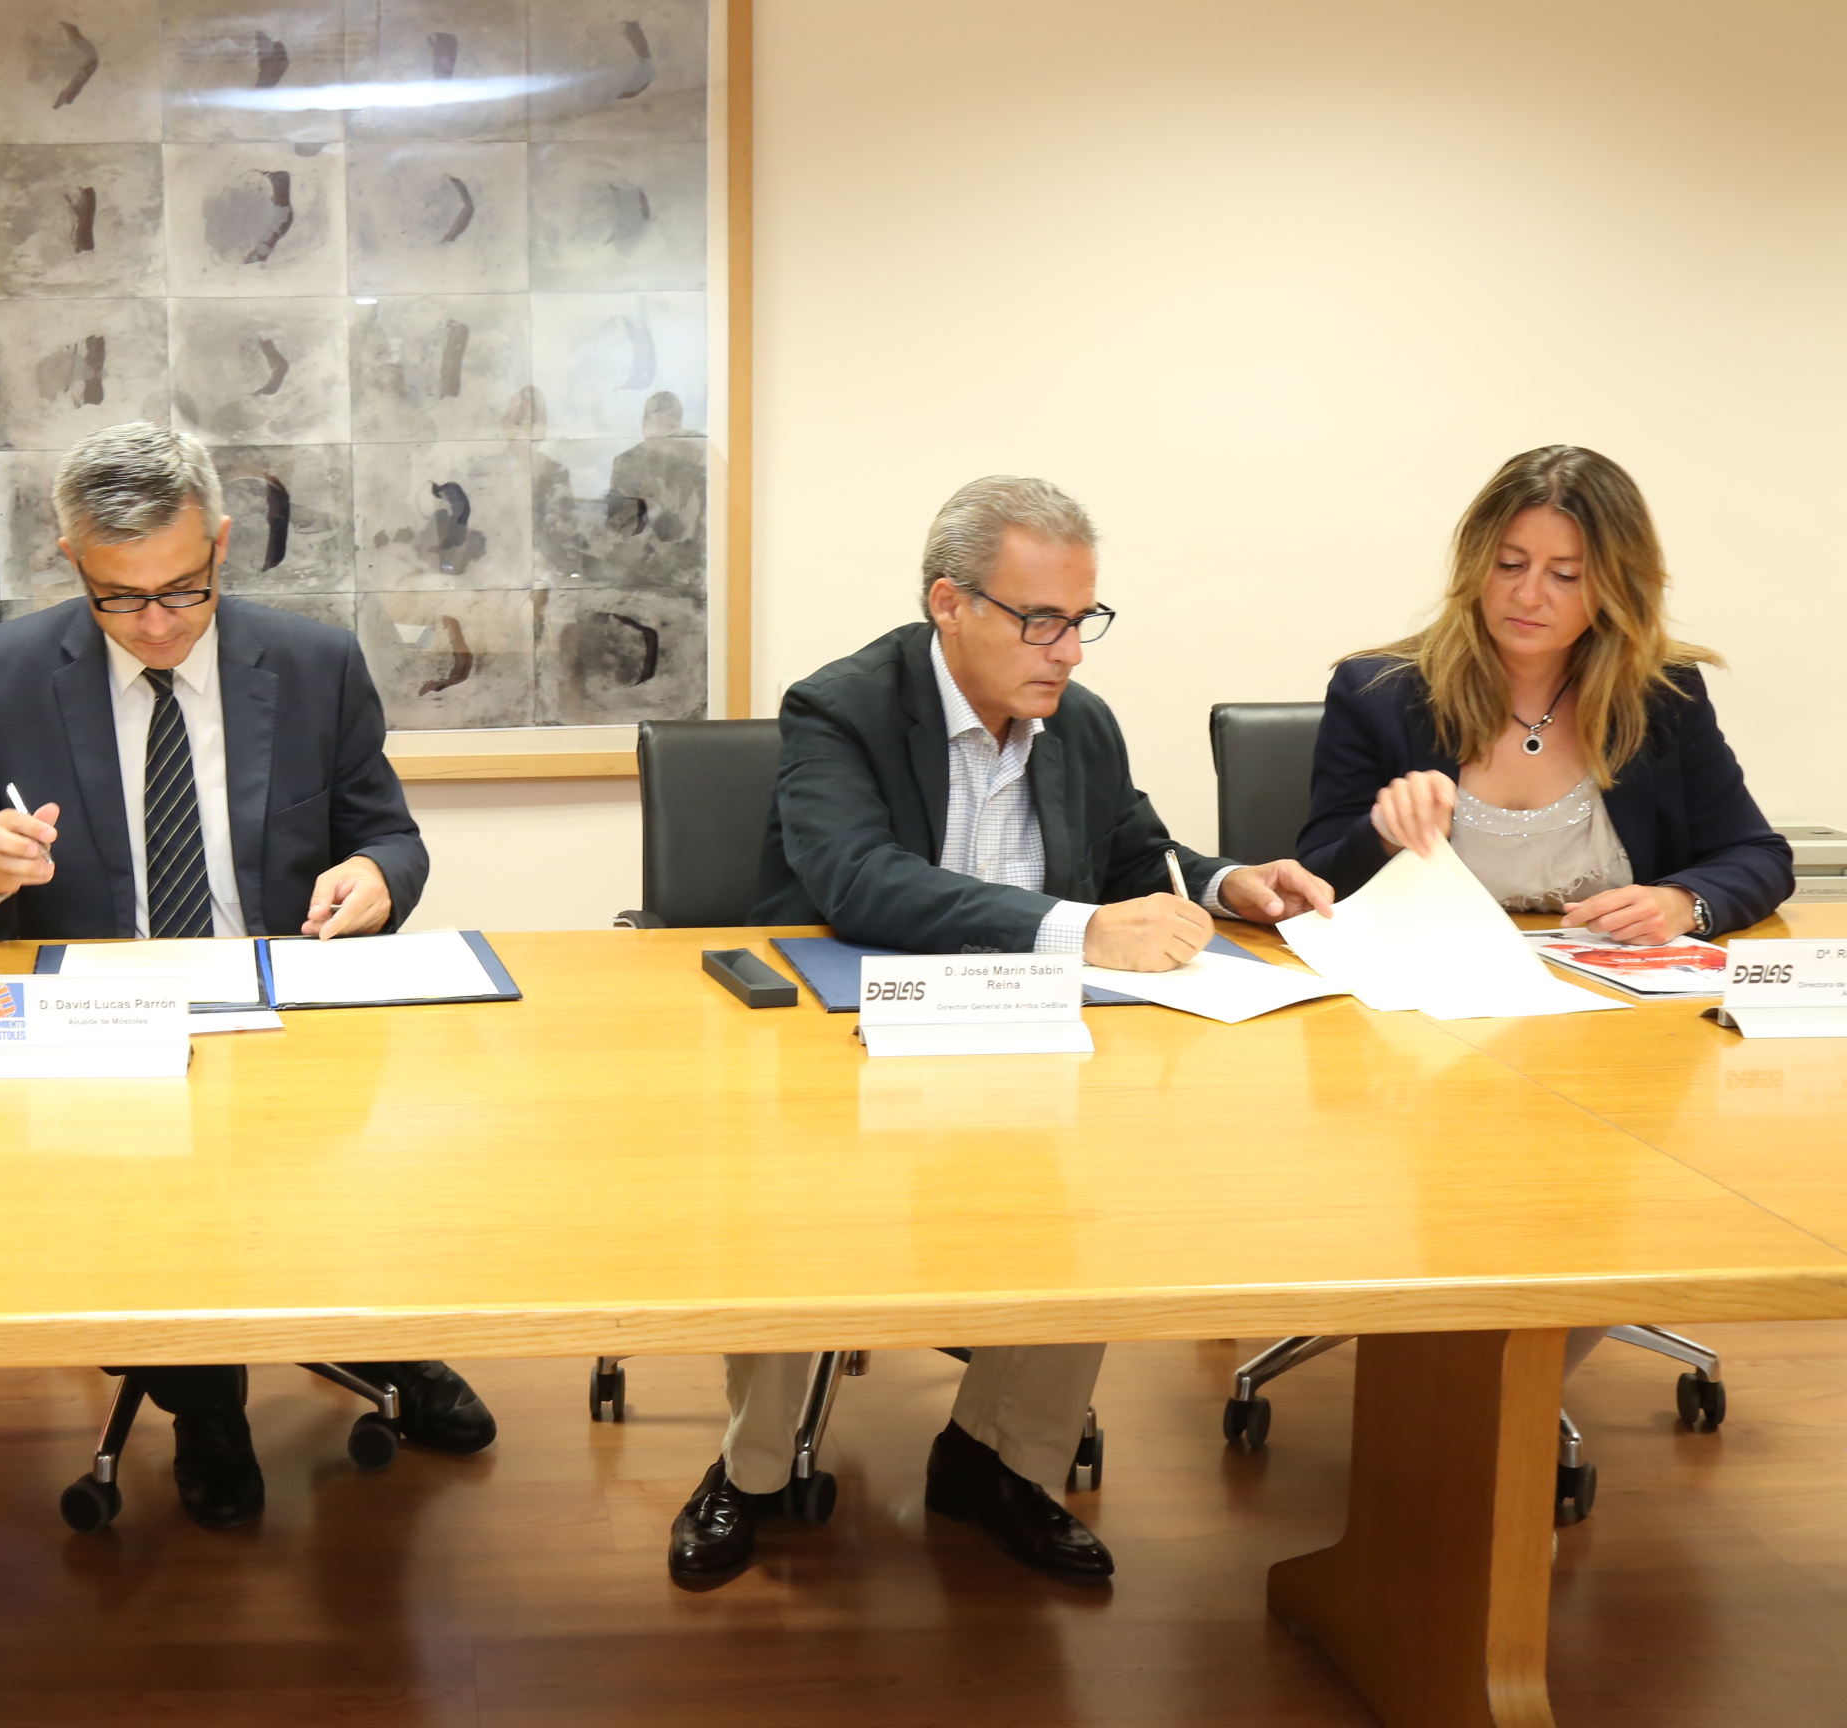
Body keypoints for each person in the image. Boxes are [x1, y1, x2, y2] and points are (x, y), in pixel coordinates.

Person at [671, 475, 1336, 1588]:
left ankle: (996, 1461)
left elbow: (1138, 856)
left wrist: (1232, 885)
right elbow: (858, 878)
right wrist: (1078, 930)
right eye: (1040, 620)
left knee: (1096, 1190)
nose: (1067, 651)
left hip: (1030, 1038)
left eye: (1082, 619)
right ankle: (752, 1470)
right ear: (950, 603)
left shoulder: (1080, 723)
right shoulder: (841, 707)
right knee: (795, 1196)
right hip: (858, 1040)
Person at [0, 421, 494, 1529]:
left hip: (283, 1005)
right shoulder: (4, 673)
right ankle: (205, 1406)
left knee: (338, 1174)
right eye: (121, 598)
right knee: (155, 1191)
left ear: (220, 543)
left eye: (183, 589)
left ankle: (377, 1340)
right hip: (100, 1024)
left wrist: (373, 876)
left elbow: (391, 838)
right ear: (72, 561)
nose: (158, 624)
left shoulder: (312, 664)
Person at [1301, 442, 1792, 1385]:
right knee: (1454, 1205)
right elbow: (1314, 877)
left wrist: (1684, 900)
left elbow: (1757, 855)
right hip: (1424, 1034)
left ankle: (1502, 1394)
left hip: (1606, 1038)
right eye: (1510, 564)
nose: (1528, 595)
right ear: (1474, 563)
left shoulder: (1663, 699)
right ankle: (1465, 1396)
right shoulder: (1379, 694)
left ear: (1613, 587)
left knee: (1586, 1203)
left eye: (1565, 575)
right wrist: (1380, 832)